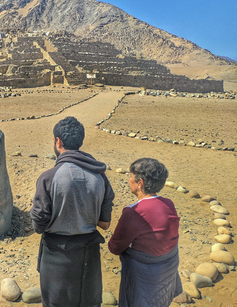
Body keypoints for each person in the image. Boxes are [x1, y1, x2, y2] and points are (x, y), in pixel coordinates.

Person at [30, 116, 114, 307]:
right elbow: (105, 223)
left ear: (58, 141)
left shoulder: (49, 177)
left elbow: (38, 224)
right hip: (89, 254)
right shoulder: (100, 176)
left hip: (58, 258)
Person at [108, 158, 182, 307]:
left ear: (140, 183)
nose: (129, 180)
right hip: (166, 272)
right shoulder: (169, 204)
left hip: (143, 277)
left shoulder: (134, 212)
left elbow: (115, 247)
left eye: (130, 176)